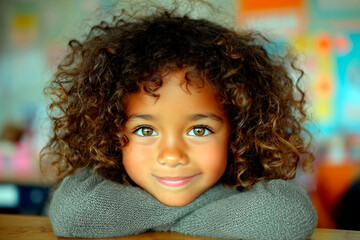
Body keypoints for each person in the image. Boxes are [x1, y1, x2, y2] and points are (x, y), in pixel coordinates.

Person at [41, 3, 317, 240]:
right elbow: (71, 213)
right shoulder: (98, 183)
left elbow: (291, 215)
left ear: (239, 132)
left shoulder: (252, 185)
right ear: (109, 133)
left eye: (199, 129)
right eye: (145, 129)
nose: (171, 156)